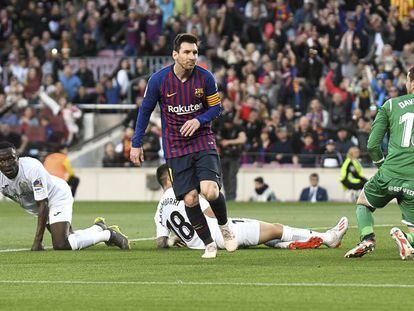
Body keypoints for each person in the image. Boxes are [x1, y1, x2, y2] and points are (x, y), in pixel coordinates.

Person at [130, 33, 237, 258]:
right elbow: (145, 111)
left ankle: (225, 226)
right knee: (189, 198)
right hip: (175, 146)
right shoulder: (158, 80)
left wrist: (199, 120)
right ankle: (209, 243)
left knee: (210, 190)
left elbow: (217, 108)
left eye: (195, 52)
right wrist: (136, 143)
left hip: (202, 139)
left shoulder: (206, 78)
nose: (192, 57)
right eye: (187, 52)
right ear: (175, 55)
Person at [154, 164, 348, 252]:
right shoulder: (185, 192)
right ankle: (328, 238)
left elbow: (161, 242)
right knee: (275, 228)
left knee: (267, 235)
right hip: (221, 234)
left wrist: (175, 239)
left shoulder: (160, 210)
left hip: (203, 244)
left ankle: (286, 244)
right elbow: (210, 213)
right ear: (171, 177)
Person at [0, 141, 130, 251]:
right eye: (2, 160)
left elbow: (43, 204)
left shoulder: (31, 168)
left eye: (10, 158)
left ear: (17, 157)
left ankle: (109, 235)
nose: (7, 164)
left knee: (61, 244)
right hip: (38, 206)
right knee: (69, 237)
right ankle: (98, 227)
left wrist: (38, 241)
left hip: (56, 196)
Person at [345, 67, 414, 260]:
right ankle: (406, 238)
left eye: (407, 80)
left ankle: (367, 238)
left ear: (412, 82)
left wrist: (382, 165)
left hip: (389, 172)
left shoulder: (391, 105)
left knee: (363, 202)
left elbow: (373, 144)